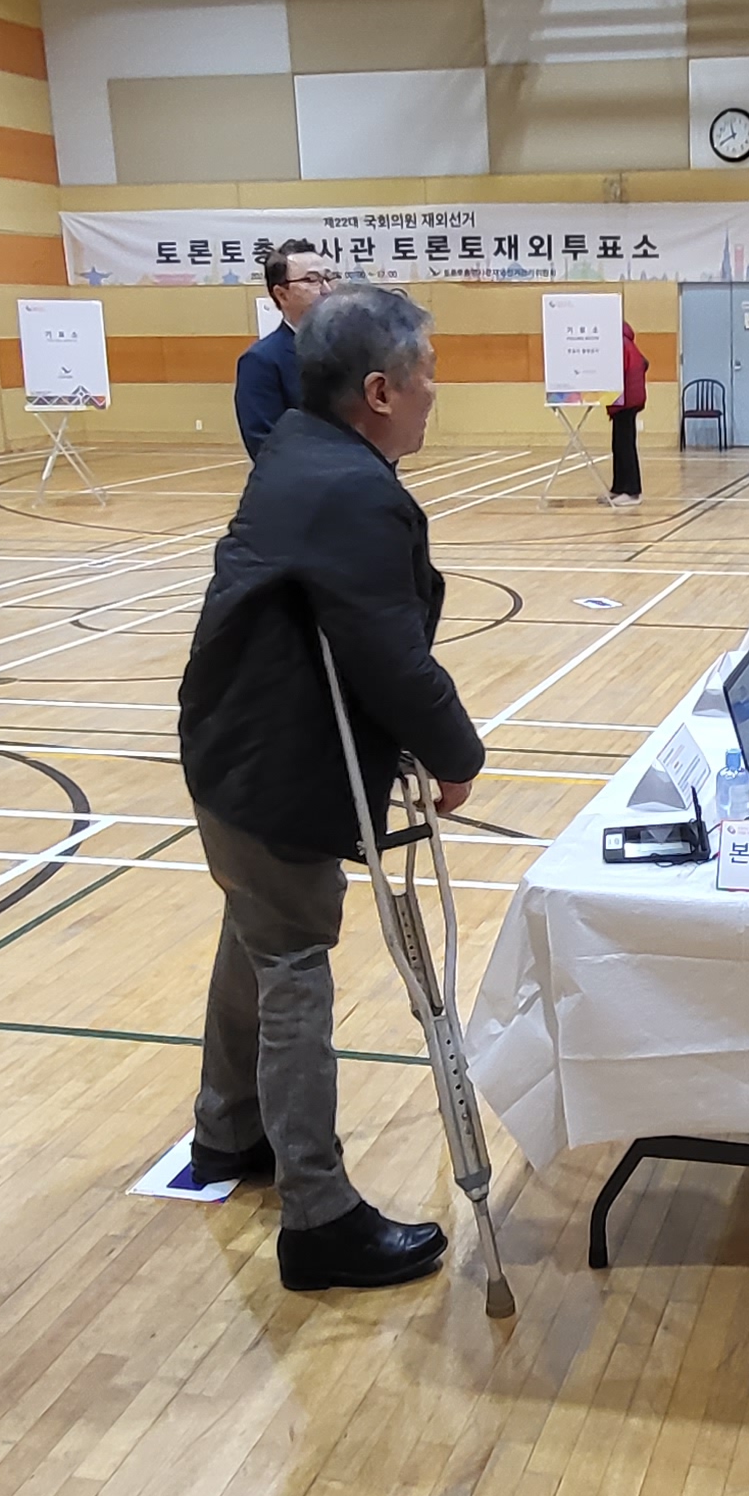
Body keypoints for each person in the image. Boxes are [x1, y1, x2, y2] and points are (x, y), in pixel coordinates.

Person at [176, 282, 487, 1293]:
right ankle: (316, 1217)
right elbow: (388, 657)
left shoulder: (300, 449)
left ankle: (228, 1130)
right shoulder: (353, 490)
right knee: (293, 963)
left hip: (229, 751)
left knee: (258, 931)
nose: (436, 392)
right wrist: (457, 754)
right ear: (380, 392)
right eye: (426, 374)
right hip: (272, 766)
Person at [233, 239, 338, 460]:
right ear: (281, 294)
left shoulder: (352, 346)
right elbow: (266, 445)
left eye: (328, 278)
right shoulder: (261, 361)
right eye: (312, 280)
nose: (326, 289)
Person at [604, 319, 647, 507]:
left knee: (625, 446)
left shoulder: (620, 345)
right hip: (629, 399)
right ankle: (619, 488)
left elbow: (614, 372)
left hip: (626, 401)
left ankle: (632, 491)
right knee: (619, 444)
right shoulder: (627, 343)